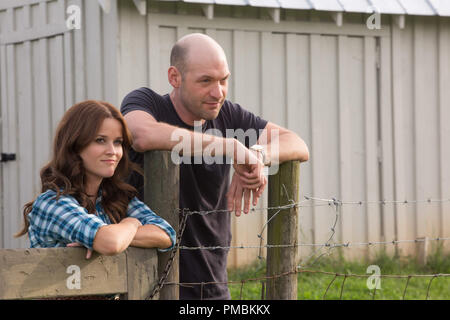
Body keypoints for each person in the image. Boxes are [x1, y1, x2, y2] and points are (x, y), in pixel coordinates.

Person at [120, 33, 309, 300]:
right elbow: (142, 135)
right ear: (175, 77)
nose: (217, 92)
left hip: (211, 287)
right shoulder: (147, 103)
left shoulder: (228, 115)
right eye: (205, 81)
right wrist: (231, 147)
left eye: (224, 80)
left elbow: (297, 143)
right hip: (147, 284)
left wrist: (256, 154)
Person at [15, 100, 176, 259]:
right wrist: (131, 223)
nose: (112, 151)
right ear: (75, 145)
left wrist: (114, 235)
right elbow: (111, 243)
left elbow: (166, 234)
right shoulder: (52, 203)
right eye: (100, 140)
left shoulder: (115, 198)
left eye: (118, 142)